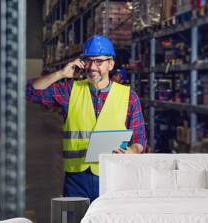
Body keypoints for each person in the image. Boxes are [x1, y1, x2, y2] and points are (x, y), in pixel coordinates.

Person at [26, 35, 147, 202]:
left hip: (112, 176)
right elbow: (30, 91)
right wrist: (61, 73)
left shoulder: (128, 97)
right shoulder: (70, 90)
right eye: (88, 61)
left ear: (110, 64)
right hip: (76, 179)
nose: (92, 67)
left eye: (98, 61)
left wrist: (131, 151)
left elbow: (140, 139)